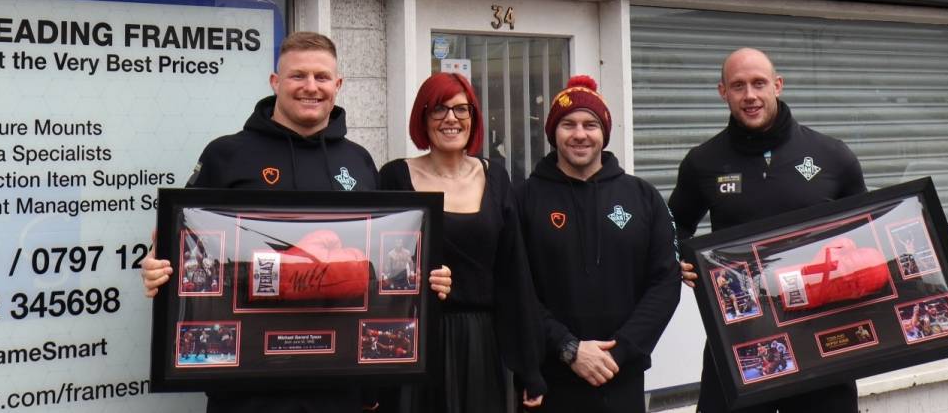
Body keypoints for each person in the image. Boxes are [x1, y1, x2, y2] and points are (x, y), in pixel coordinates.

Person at [141, 31, 451, 413]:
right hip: (247, 382)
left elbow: (384, 257)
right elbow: (183, 240)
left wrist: (423, 275)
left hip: (341, 380)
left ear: (338, 85)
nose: (311, 87)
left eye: (322, 77)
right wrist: (157, 264)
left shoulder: (359, 161)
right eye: (298, 75)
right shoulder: (226, 155)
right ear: (275, 82)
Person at [668, 47, 866, 413]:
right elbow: (674, 225)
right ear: (722, 92)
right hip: (739, 337)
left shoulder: (832, 155)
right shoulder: (703, 162)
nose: (750, 95)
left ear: (777, 85)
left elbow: (868, 233)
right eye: (738, 86)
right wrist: (680, 258)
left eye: (759, 83)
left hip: (821, 339)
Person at [379, 72, 546, 411]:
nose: (451, 119)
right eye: (439, 109)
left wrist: (529, 368)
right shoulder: (395, 177)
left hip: (481, 342)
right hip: (414, 340)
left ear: (474, 116)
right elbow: (378, 266)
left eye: (461, 109)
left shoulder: (495, 176)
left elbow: (513, 275)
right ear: (423, 118)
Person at [516, 75, 681, 413]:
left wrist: (619, 352)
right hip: (550, 379)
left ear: (604, 132)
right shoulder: (524, 198)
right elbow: (516, 287)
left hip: (622, 376)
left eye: (590, 124)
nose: (580, 134)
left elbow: (665, 282)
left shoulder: (643, 197)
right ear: (553, 133)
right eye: (568, 124)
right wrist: (568, 348)